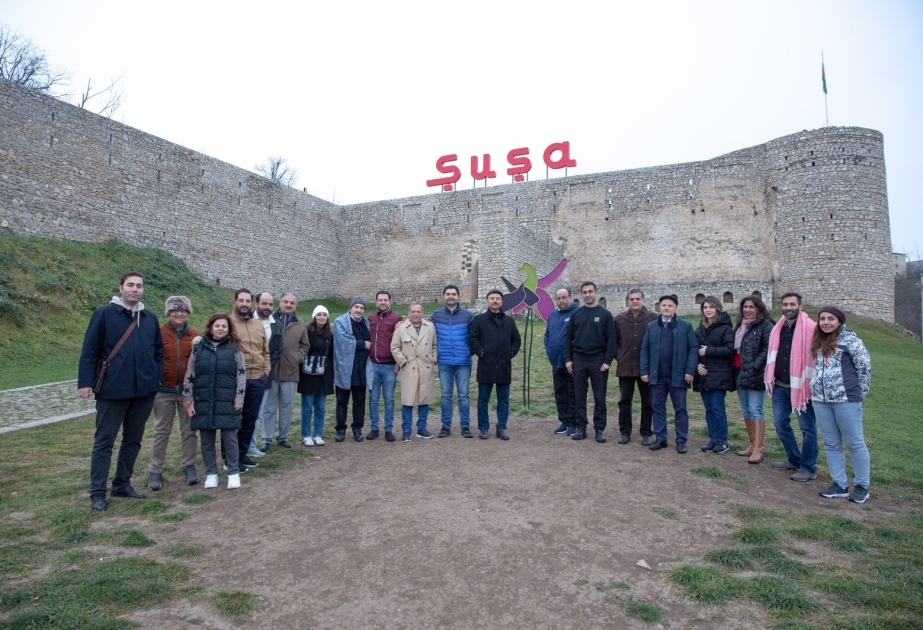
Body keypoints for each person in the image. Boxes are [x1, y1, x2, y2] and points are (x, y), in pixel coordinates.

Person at [78, 272, 164, 511]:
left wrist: (155, 378)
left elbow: (158, 352)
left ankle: (122, 484)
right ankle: (97, 492)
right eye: (130, 285)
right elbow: (89, 351)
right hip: (113, 390)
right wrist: (85, 383)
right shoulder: (105, 314)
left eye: (139, 286)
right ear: (121, 288)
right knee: (104, 442)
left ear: (143, 290)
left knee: (133, 441)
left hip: (143, 391)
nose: (135, 289)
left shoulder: (149, 318)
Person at [811, 306, 872, 503]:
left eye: (830, 319)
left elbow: (864, 367)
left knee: (854, 442)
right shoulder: (819, 341)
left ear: (839, 321)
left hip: (846, 400)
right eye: (822, 319)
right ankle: (840, 484)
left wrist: (858, 393)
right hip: (821, 400)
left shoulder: (851, 341)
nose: (826, 322)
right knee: (831, 443)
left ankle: (862, 485)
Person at [183, 314, 246, 490]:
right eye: (217, 326)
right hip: (204, 399)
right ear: (211, 327)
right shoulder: (199, 348)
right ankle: (211, 473)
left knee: (230, 439)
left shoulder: (235, 348)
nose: (220, 329)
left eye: (224, 326)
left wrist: (239, 398)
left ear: (229, 329)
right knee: (207, 440)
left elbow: (241, 375)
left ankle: (233, 473)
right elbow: (190, 374)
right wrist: (188, 397)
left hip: (227, 400)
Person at [148, 296, 200, 491]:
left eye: (183, 310)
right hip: (163, 391)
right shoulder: (158, 334)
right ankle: (155, 470)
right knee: (161, 431)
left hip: (187, 393)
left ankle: (189, 465)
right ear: (168, 313)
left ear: (188, 313)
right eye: (175, 310)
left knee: (189, 431)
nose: (179, 314)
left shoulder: (195, 336)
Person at [765, 292, 818, 482]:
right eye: (785, 304)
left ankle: (809, 467)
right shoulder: (778, 328)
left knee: (807, 429)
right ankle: (794, 459)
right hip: (780, 383)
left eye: (792, 304)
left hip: (803, 386)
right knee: (780, 424)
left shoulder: (811, 328)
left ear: (800, 306)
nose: (788, 307)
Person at [640, 295, 698, 453]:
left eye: (670, 305)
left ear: (675, 308)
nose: (666, 308)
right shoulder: (651, 326)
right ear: (659, 307)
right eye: (664, 305)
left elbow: (693, 348)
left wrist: (689, 370)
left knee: (680, 408)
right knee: (657, 407)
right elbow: (645, 349)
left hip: (678, 376)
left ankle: (681, 440)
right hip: (657, 375)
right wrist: (644, 370)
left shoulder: (685, 326)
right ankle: (661, 438)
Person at [564, 282, 618, 442]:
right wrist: (568, 359)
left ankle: (599, 429)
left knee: (599, 397)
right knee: (579, 396)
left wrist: (607, 360)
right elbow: (568, 338)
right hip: (579, 360)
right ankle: (581, 428)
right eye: (584, 292)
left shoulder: (605, 314)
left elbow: (612, 340)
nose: (587, 295)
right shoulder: (576, 314)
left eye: (590, 292)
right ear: (581, 295)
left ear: (596, 293)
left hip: (599, 360)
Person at [468, 289, 521, 439]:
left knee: (503, 400)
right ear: (487, 301)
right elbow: (473, 340)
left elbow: (516, 340)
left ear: (502, 302)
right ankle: (483, 428)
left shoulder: (509, 321)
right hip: (486, 366)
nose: (495, 301)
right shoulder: (479, 320)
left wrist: (511, 352)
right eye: (492, 298)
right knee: (483, 400)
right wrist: (482, 353)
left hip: (504, 366)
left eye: (498, 298)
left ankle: (502, 427)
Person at [228, 289, 270, 471]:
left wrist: (266, 369)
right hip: (237, 379)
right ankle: (229, 457)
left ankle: (242, 453)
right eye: (241, 300)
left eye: (247, 301)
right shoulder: (228, 323)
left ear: (252, 304)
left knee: (250, 419)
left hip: (257, 378)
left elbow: (265, 350)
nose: (244, 304)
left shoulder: (257, 324)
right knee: (233, 420)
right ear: (235, 302)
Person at [261, 292, 309, 449]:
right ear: (279, 303)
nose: (288, 305)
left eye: (292, 303)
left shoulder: (300, 324)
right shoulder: (269, 321)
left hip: (290, 371)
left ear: (296, 305)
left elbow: (305, 345)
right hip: (271, 370)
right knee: (269, 408)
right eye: (285, 302)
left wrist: (297, 358)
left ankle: (283, 437)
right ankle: (266, 439)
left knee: (286, 407)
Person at [733, 295, 775, 464]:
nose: (747, 310)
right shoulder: (742, 326)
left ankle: (759, 447)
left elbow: (768, 348)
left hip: (755, 372)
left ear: (758, 308)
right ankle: (752, 444)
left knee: (756, 409)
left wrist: (756, 365)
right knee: (746, 409)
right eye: (745, 307)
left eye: (751, 307)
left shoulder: (765, 325)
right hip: (740, 371)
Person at [431, 285, 475, 438]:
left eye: (453, 294)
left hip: (463, 362)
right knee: (446, 396)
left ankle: (465, 426)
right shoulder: (435, 316)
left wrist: (470, 350)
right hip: (444, 361)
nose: (451, 296)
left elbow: (474, 336)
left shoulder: (468, 316)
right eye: (448, 294)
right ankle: (445, 426)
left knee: (463, 395)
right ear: (443, 296)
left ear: (458, 296)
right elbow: (423, 330)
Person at [615, 289, 658, 445]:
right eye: (632, 299)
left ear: (643, 300)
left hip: (644, 367)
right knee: (625, 400)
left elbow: (656, 342)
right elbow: (614, 341)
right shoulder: (620, 319)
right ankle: (624, 431)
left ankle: (646, 432)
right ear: (628, 301)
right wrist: (620, 356)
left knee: (647, 401)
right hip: (625, 367)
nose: (635, 301)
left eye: (638, 299)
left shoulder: (652, 318)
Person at [693, 296, 735, 454]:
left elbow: (730, 349)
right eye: (705, 307)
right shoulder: (700, 329)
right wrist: (697, 365)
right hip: (704, 375)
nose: (708, 310)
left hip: (719, 374)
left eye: (711, 307)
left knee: (718, 408)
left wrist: (709, 351)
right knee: (708, 409)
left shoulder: (725, 328)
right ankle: (713, 438)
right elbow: (694, 350)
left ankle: (722, 440)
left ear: (717, 308)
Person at [391, 302, 438, 442]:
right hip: (409, 366)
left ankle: (422, 428)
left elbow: (434, 344)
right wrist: (402, 361)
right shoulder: (402, 328)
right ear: (409, 313)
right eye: (413, 311)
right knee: (408, 399)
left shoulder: (430, 326)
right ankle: (406, 430)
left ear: (422, 312)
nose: (416, 314)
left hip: (425, 366)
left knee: (424, 398)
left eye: (418, 311)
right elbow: (395, 347)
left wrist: (433, 359)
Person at [333, 297, 372, 442]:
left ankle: (357, 428)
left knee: (359, 401)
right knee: (342, 401)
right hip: (345, 368)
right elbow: (343, 341)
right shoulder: (340, 322)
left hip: (361, 369)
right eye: (356, 307)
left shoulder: (366, 323)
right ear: (350, 308)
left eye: (362, 308)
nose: (359, 310)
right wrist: (363, 344)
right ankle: (340, 429)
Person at [367, 291, 404, 441]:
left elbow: (401, 341)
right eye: (380, 300)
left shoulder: (397, 319)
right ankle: (374, 428)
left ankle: (388, 429)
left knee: (389, 399)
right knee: (373, 398)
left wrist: (398, 360)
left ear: (390, 302)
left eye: (385, 300)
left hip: (389, 366)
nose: (383, 302)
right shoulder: (370, 318)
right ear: (376, 302)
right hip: (373, 365)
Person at [544, 288, 579, 436]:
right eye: (558, 298)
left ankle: (574, 423)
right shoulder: (553, 315)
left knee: (573, 393)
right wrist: (549, 349)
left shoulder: (577, 313)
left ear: (570, 297)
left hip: (572, 362)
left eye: (564, 297)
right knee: (560, 393)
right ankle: (564, 421)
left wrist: (572, 356)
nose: (561, 301)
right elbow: (547, 335)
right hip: (556, 362)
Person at [298, 305, 335, 447]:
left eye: (324, 315)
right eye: (319, 315)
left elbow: (331, 355)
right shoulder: (306, 333)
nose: (322, 317)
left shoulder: (329, 336)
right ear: (314, 317)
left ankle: (318, 434)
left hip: (323, 374)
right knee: (307, 406)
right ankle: (306, 434)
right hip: (308, 373)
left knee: (320, 407)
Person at [254, 292, 282, 454]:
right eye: (264, 304)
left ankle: (251, 446)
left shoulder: (275, 324)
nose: (267, 307)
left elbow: (278, 349)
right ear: (256, 303)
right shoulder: (249, 322)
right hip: (247, 374)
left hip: (265, 374)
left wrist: (266, 366)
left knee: (257, 413)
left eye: (270, 304)